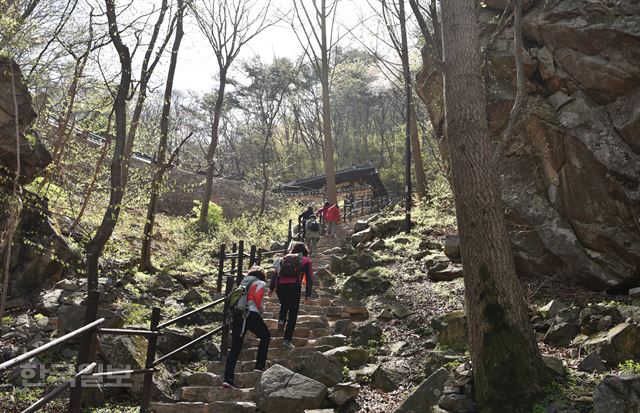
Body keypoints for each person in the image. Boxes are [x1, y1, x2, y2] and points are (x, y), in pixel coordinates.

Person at [222, 266, 270, 389]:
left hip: (238, 316)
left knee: (235, 349)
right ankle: (259, 367)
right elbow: (257, 297)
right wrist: (261, 309)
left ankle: (228, 380)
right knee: (266, 336)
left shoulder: (243, 282)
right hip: (251, 314)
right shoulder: (260, 282)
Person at [269, 242, 313, 349]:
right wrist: (308, 294)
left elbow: (276, 274)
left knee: (284, 305)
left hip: (280, 286)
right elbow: (310, 278)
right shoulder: (306, 260)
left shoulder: (284, 258)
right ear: (305, 251)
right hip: (294, 286)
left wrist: (271, 289)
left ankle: (281, 320)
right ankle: (287, 340)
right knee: (293, 314)